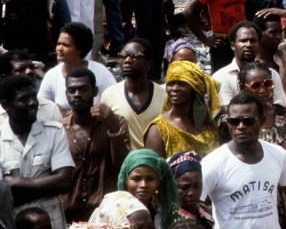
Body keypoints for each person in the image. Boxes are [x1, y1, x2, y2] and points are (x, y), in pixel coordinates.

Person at [202, 90, 286, 229]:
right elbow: (192, 207)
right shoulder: (213, 163)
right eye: (234, 121)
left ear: (261, 121)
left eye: (248, 121)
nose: (241, 127)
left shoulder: (278, 155)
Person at [0, 75, 74, 229]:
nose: (33, 103)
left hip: (52, 222)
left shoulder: (54, 132)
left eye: (34, 97)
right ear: (6, 105)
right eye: (24, 99)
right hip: (12, 222)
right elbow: (1, 194)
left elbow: (64, 182)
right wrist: (47, 186)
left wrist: (16, 182)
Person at [59, 67, 129, 222]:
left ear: (95, 91)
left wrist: (113, 128)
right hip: (69, 211)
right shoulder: (58, 129)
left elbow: (123, 165)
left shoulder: (115, 121)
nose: (77, 94)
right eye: (72, 90)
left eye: (83, 89)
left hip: (106, 209)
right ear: (66, 94)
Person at [101, 38, 168, 150]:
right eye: (123, 55)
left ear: (149, 63)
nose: (127, 60)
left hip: (156, 160)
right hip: (124, 162)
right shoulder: (109, 95)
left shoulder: (164, 96)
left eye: (134, 55)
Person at [145, 59, 220, 158]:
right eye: (171, 84)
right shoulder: (158, 129)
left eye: (182, 83)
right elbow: (157, 170)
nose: (175, 89)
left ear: (195, 88)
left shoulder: (209, 124)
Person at [39, 23, 117, 114]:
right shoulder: (51, 75)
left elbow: (115, 101)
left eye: (66, 45)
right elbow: (42, 107)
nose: (59, 48)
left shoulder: (100, 71)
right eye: (58, 44)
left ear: (80, 49)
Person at [212, 22, 286, 109]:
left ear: (259, 44)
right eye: (243, 41)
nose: (249, 45)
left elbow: (282, 107)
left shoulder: (272, 74)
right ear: (233, 46)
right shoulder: (221, 77)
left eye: (253, 41)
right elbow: (226, 113)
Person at [167, 152, 213, 229]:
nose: (191, 193)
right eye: (184, 187)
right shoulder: (168, 218)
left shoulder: (205, 212)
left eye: (197, 186)